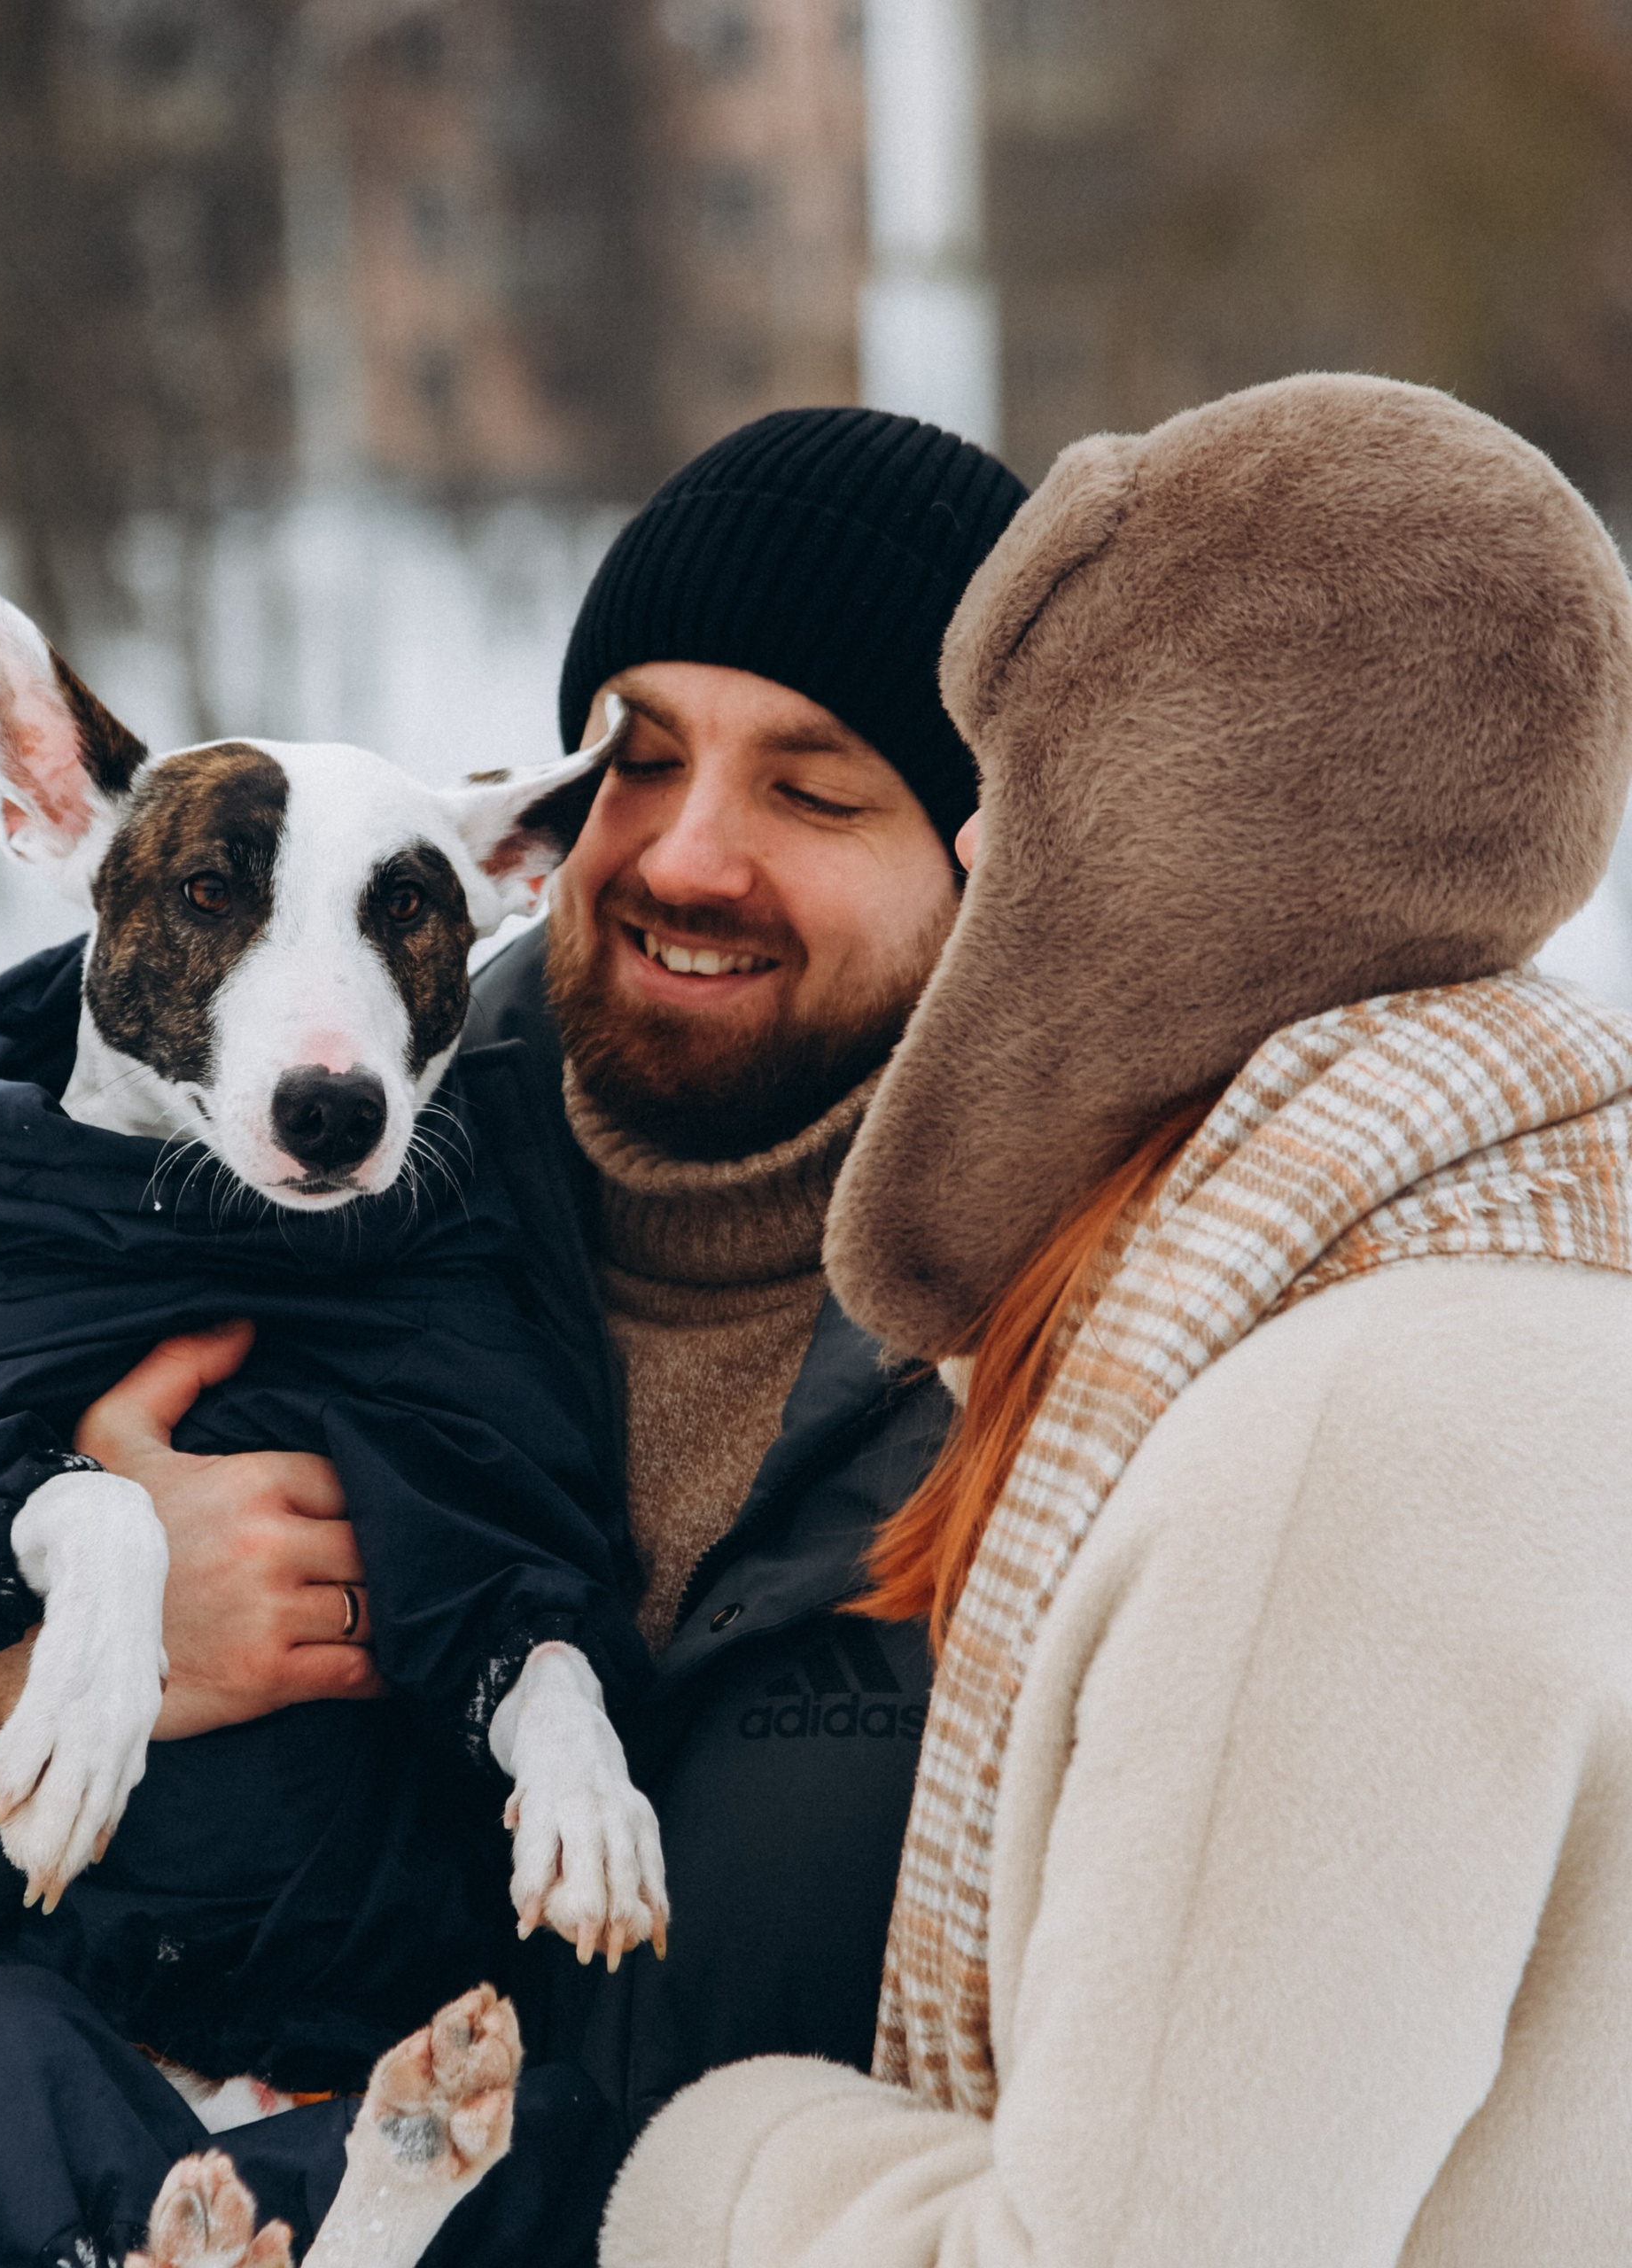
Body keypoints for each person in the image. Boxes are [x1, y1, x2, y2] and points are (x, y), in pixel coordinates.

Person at [0, 407, 1030, 2262]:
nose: (693, 854)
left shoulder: (1095, 1356)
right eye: (644, 763)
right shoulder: (174, 1215)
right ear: (555, 826)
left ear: (990, 847)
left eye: (815, 788)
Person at [597, 374, 1632, 2267]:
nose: (982, 853)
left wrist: (705, 2167)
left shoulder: (1343, 1446)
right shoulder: (1527, 1279)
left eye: (1018, 790)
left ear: (1174, 838)